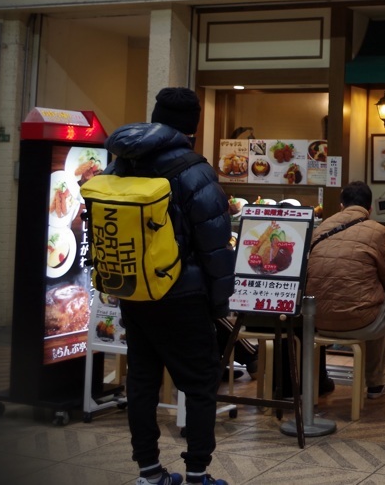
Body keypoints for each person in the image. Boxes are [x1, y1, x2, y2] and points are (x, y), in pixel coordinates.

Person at [105, 87, 234, 485]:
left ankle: (148, 472)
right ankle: (196, 473)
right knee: (199, 382)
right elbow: (214, 244)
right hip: (181, 295)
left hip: (134, 292)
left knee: (142, 380)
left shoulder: (121, 162)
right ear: (192, 125)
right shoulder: (194, 169)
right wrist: (219, 303)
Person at [305, 180, 385, 398]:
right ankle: (376, 383)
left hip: (318, 321)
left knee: (374, 303)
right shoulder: (377, 231)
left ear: (342, 206)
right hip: (361, 322)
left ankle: (378, 383)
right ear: (369, 209)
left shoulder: (319, 229)